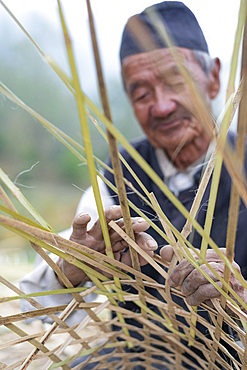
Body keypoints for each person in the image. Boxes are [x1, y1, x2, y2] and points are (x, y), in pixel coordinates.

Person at [20, 1, 247, 368]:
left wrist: (239, 300)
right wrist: (73, 269)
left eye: (177, 82)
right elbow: (31, 305)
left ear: (215, 78)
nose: (161, 106)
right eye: (141, 94)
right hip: (132, 358)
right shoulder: (115, 178)